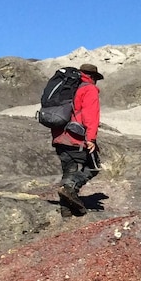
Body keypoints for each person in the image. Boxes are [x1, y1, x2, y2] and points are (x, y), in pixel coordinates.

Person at [54, 63, 103, 217]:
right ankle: (69, 188)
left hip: (59, 136)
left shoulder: (68, 87)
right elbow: (90, 115)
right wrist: (91, 139)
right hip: (76, 137)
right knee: (93, 166)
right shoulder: (89, 89)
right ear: (92, 77)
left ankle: (66, 211)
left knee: (69, 171)